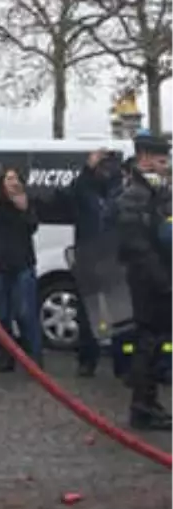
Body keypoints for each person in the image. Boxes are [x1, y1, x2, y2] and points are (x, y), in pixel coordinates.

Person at [113, 133, 173, 431]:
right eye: (162, 160)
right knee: (148, 341)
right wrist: (163, 280)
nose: (166, 166)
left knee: (155, 341)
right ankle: (142, 407)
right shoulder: (134, 194)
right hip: (148, 281)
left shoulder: (154, 191)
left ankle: (149, 403)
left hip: (156, 277)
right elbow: (136, 244)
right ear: (145, 158)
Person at [67, 149, 123, 376]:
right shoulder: (85, 189)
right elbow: (74, 192)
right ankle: (87, 360)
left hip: (113, 258)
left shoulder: (117, 190)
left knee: (119, 314)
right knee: (89, 314)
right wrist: (88, 168)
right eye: (101, 167)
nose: (105, 170)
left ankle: (122, 363)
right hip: (88, 257)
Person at [0, 167, 42, 369]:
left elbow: (32, 226)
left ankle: (34, 357)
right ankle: (6, 356)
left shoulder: (25, 203)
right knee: (2, 315)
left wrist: (24, 209)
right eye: (7, 179)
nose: (11, 182)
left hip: (22, 265)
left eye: (14, 178)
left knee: (25, 313)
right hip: (0, 266)